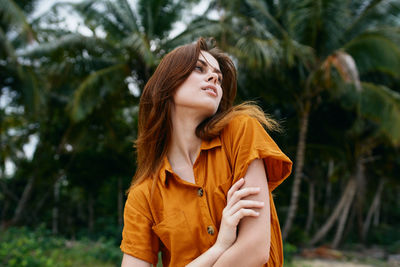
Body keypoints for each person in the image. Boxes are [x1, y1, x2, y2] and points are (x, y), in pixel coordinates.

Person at [120, 37, 292, 267]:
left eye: (218, 77)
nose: (213, 78)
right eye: (199, 69)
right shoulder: (143, 195)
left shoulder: (241, 132)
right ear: (167, 85)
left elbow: (255, 251)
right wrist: (220, 247)